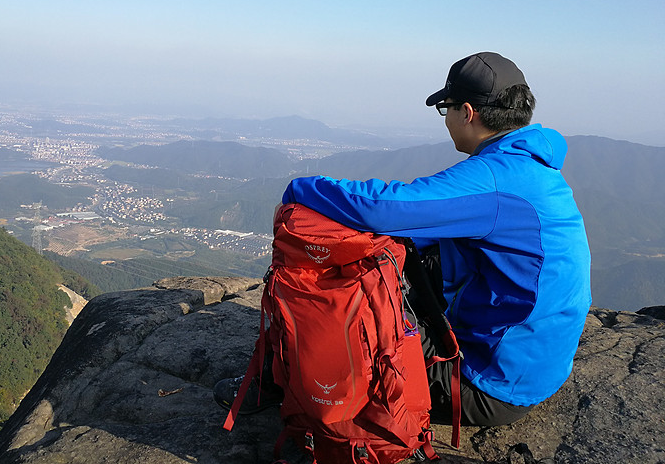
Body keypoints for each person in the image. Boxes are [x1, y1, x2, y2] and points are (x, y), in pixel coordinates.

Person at [216, 51, 591, 427]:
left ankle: (279, 381)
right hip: (529, 366)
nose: (447, 123)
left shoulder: (497, 180)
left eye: (446, 111)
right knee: (395, 253)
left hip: (485, 383)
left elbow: (384, 208)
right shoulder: (532, 169)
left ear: (467, 112)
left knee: (340, 301)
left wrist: (302, 188)